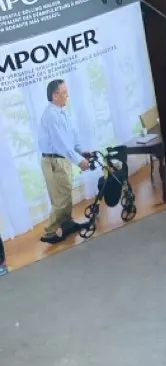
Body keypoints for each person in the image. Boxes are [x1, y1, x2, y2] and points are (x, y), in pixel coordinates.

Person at [38, 79, 91, 246]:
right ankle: (49, 232)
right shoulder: (52, 116)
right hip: (54, 160)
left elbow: (71, 136)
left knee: (66, 194)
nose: (68, 95)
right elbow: (61, 143)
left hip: (62, 159)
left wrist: (81, 151)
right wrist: (79, 161)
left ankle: (67, 224)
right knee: (61, 199)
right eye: (64, 92)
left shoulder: (62, 112)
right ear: (55, 95)